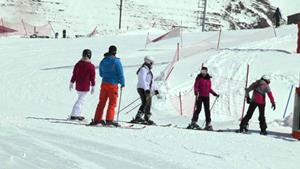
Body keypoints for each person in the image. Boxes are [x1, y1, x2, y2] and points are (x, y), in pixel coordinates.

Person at [89, 45, 125, 126]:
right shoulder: (117, 61)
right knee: (112, 103)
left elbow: (101, 74)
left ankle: (97, 119)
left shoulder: (103, 60)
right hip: (113, 84)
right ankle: (109, 120)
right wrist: (122, 83)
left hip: (104, 83)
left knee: (101, 102)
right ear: (115, 52)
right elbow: (120, 73)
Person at [130, 56, 159, 125]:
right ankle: (142, 118)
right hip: (142, 88)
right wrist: (146, 89)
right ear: (149, 62)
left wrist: (155, 89)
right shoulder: (143, 70)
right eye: (152, 63)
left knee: (147, 102)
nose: (152, 65)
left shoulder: (148, 71)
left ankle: (143, 117)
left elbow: (152, 81)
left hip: (146, 89)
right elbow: (142, 80)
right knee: (146, 102)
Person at [69, 49, 96, 120]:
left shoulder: (78, 64)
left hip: (78, 85)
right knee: (81, 100)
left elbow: (74, 74)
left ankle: (78, 114)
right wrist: (93, 85)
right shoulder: (91, 66)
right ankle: (74, 114)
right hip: (85, 86)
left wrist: (72, 82)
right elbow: (92, 77)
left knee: (81, 99)